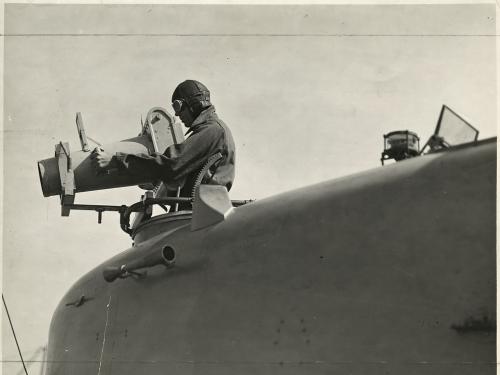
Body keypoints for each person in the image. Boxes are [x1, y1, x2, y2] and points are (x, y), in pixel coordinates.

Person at [91, 80, 235, 201]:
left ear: (193, 104)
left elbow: (172, 164)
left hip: (197, 212)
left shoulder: (212, 131)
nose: (177, 114)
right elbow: (180, 173)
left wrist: (115, 161)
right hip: (199, 209)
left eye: (178, 106)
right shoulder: (211, 130)